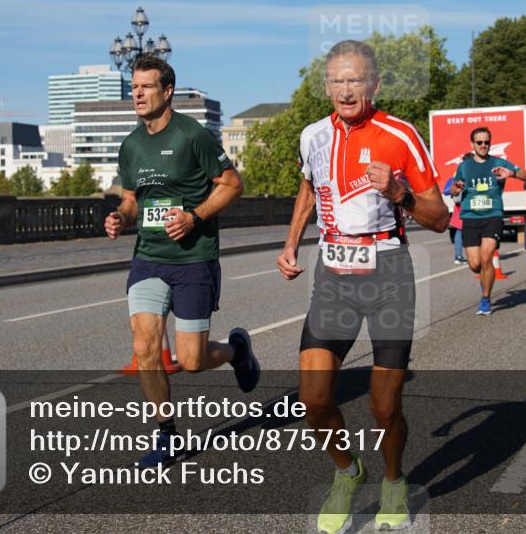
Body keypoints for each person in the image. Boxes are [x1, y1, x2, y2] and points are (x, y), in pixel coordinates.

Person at [276, 40, 448, 534]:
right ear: (326, 85)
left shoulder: (401, 135)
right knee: (312, 398)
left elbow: (439, 218)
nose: (345, 90)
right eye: (336, 81)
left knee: (384, 405)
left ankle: (393, 479)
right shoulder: (312, 136)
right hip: (333, 273)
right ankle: (348, 472)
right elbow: (309, 188)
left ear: (375, 84)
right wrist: (291, 244)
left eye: (355, 80)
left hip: (388, 273)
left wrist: (399, 192)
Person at [104, 54, 259, 468]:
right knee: (146, 347)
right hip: (149, 259)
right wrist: (121, 217)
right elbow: (132, 199)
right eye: (133, 87)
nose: (137, 93)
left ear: (167, 91)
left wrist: (195, 217)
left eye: (146, 86)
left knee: (191, 361)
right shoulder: (131, 145)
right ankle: (166, 435)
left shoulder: (194, 136)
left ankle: (236, 351)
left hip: (194, 259)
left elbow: (232, 184)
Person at [450, 127, 526, 314]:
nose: (483, 145)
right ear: (473, 144)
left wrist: (511, 174)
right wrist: (456, 188)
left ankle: (485, 299)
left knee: (487, 258)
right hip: (470, 217)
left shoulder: (499, 162)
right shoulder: (464, 166)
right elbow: (454, 190)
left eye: (487, 142)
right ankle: (485, 280)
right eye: (479, 142)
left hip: (492, 215)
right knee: (475, 264)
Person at [443, 175, 465, 263]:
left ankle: (458, 256)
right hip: (466, 207)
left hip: (458, 209)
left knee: (459, 232)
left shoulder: (457, 175)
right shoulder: (468, 173)